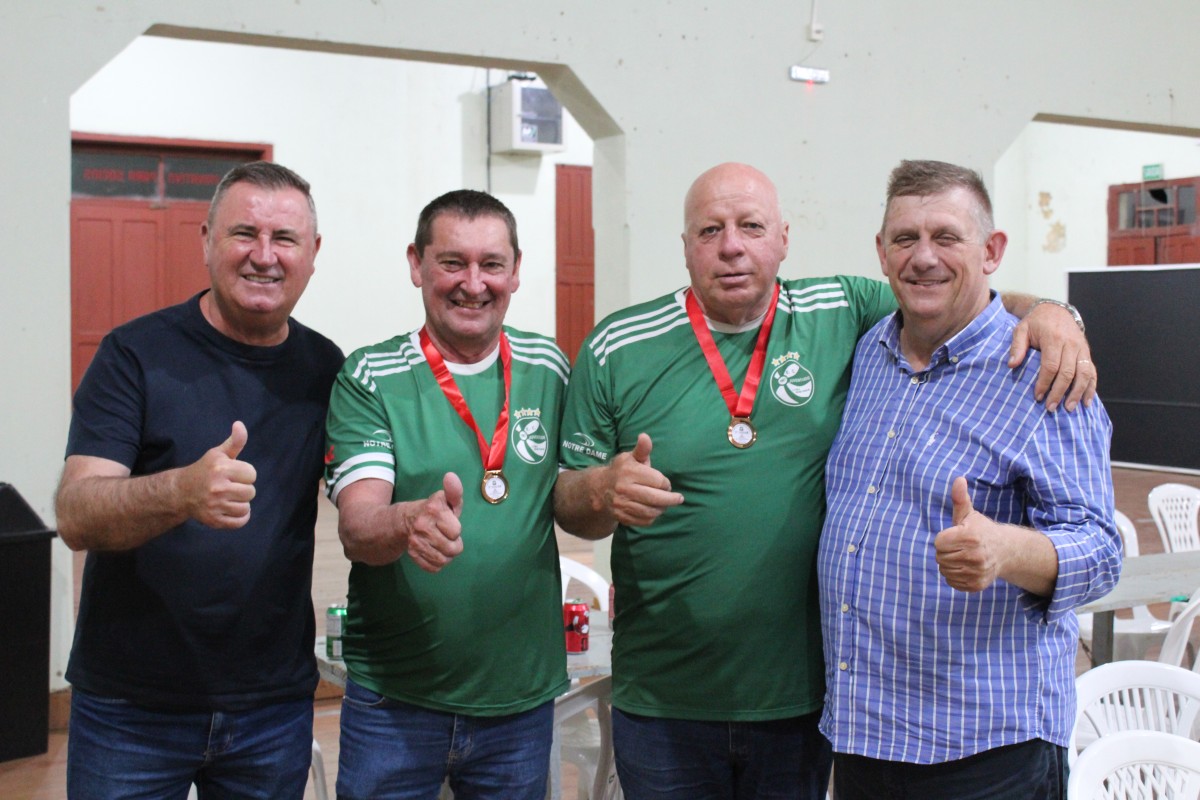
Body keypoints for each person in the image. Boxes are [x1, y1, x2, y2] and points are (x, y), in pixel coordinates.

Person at [552, 162, 1096, 800]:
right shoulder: (618, 346)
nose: (731, 246)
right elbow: (568, 503)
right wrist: (601, 490)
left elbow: (953, 291)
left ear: (784, 238)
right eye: (710, 230)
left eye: (751, 226)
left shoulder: (843, 312)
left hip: (814, 703)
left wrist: (1056, 312)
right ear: (685, 245)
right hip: (671, 698)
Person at [817, 160, 1122, 800]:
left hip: (984, 748)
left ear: (992, 251)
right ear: (881, 252)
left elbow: (1101, 551)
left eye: (947, 237)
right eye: (905, 238)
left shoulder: (1045, 375)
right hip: (864, 734)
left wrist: (1008, 551)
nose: (924, 257)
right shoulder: (868, 352)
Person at [55, 161, 343, 798]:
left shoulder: (327, 368)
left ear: (313, 253)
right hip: (132, 706)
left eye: (284, 238)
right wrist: (180, 491)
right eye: (244, 233)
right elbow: (76, 513)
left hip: (271, 707)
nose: (263, 255)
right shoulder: (134, 354)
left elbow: (363, 499)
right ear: (207, 239)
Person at [323, 189, 570, 800]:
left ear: (516, 270)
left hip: (520, 701)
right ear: (417, 264)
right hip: (396, 699)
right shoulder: (371, 375)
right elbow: (358, 526)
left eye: (492, 264)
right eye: (452, 263)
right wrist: (408, 522)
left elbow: (579, 491)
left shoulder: (549, 367)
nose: (473, 284)